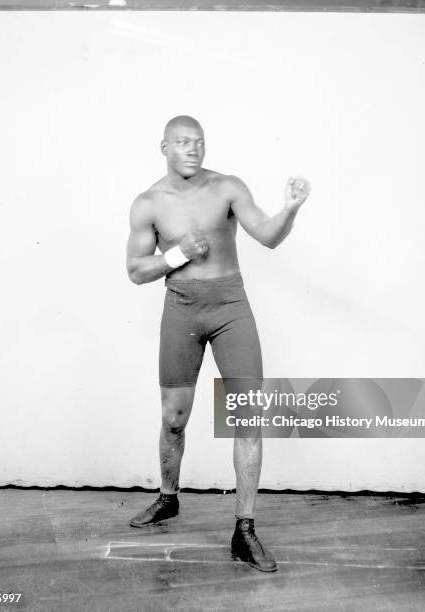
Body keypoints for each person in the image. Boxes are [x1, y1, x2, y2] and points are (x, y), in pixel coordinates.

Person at [126, 115, 311, 572]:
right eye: (183, 142)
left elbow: (267, 236)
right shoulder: (148, 202)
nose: (193, 149)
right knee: (174, 416)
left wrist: (288, 210)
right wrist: (178, 254)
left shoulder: (228, 187)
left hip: (230, 305)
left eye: (200, 142)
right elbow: (135, 270)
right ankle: (168, 498)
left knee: (248, 415)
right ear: (163, 146)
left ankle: (244, 530)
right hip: (181, 307)